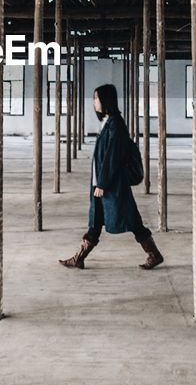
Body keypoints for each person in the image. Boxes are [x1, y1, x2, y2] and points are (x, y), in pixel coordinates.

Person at [59, 83, 164, 271]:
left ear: (105, 100)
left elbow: (112, 157)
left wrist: (102, 183)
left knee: (132, 220)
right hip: (101, 183)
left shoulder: (115, 123)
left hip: (111, 185)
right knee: (95, 222)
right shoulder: (108, 121)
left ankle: (154, 254)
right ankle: (79, 258)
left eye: (96, 98)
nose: (94, 102)